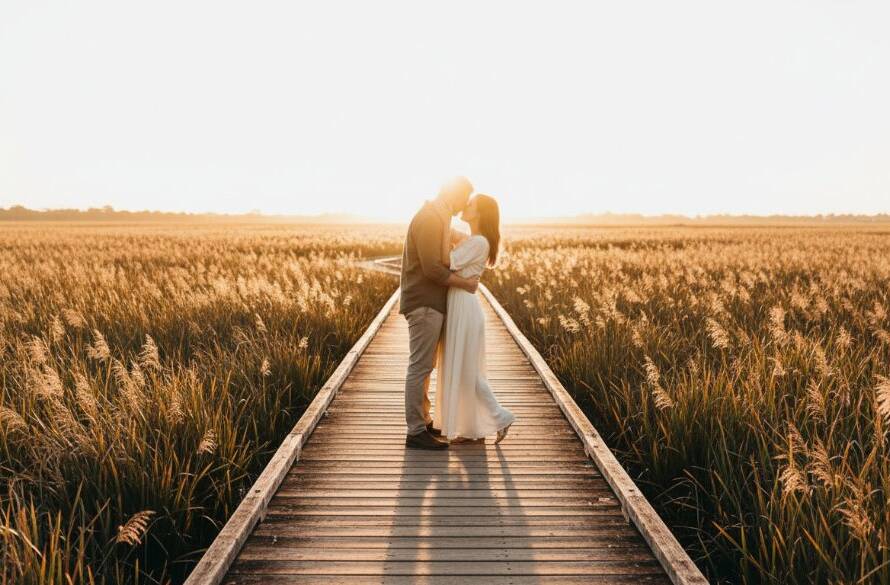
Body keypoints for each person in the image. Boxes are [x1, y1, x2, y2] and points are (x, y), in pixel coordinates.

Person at [399, 177, 480, 450]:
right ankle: (415, 431)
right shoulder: (432, 218)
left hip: (429, 303)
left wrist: (468, 240)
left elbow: (442, 248)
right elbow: (433, 267)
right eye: (465, 197)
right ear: (454, 194)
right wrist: (466, 283)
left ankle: (424, 421)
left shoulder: (438, 217)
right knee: (420, 366)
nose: (465, 204)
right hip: (424, 303)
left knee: (425, 366)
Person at [433, 194, 515, 443]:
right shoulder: (475, 241)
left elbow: (448, 262)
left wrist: (444, 231)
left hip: (465, 309)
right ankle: (473, 429)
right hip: (460, 305)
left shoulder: (479, 242)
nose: (465, 205)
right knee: (463, 368)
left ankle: (501, 417)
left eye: (470, 204)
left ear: (479, 213)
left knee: (468, 370)